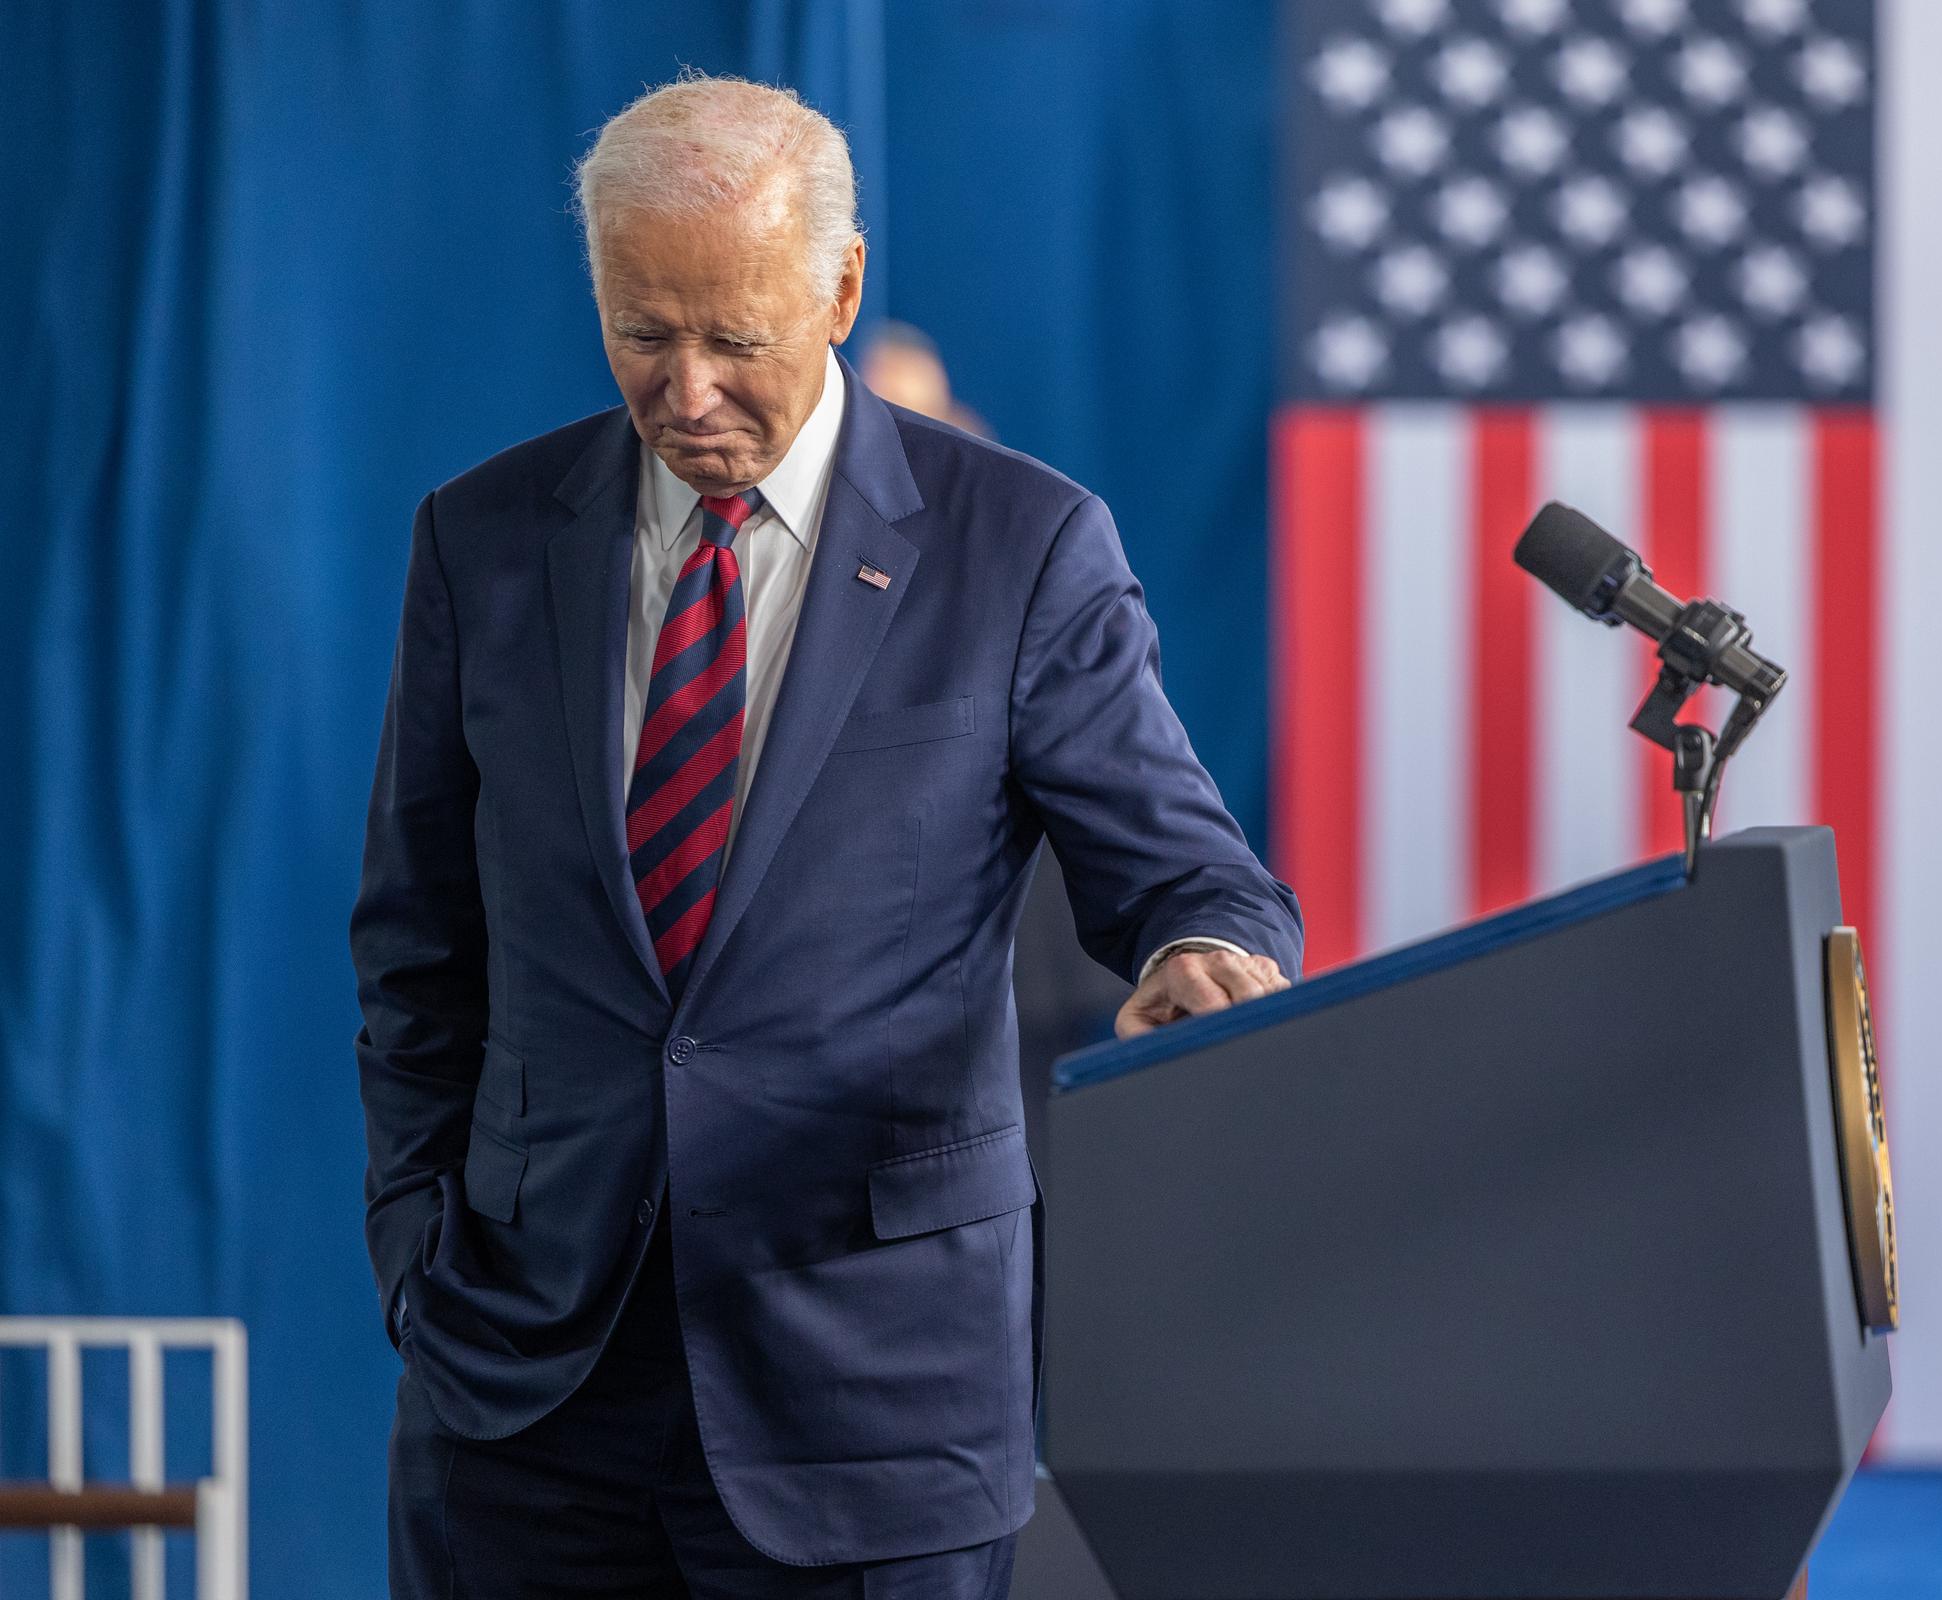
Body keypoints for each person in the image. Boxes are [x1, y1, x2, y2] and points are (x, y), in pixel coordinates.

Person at [351, 72, 1301, 1598]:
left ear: (840, 288)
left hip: (871, 1406)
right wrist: (416, 1252)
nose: (687, 389)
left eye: (735, 337)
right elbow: (417, 940)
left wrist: (1206, 949)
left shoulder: (1022, 546)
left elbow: (1189, 868)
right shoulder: (483, 538)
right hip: (519, 1397)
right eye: (643, 332)